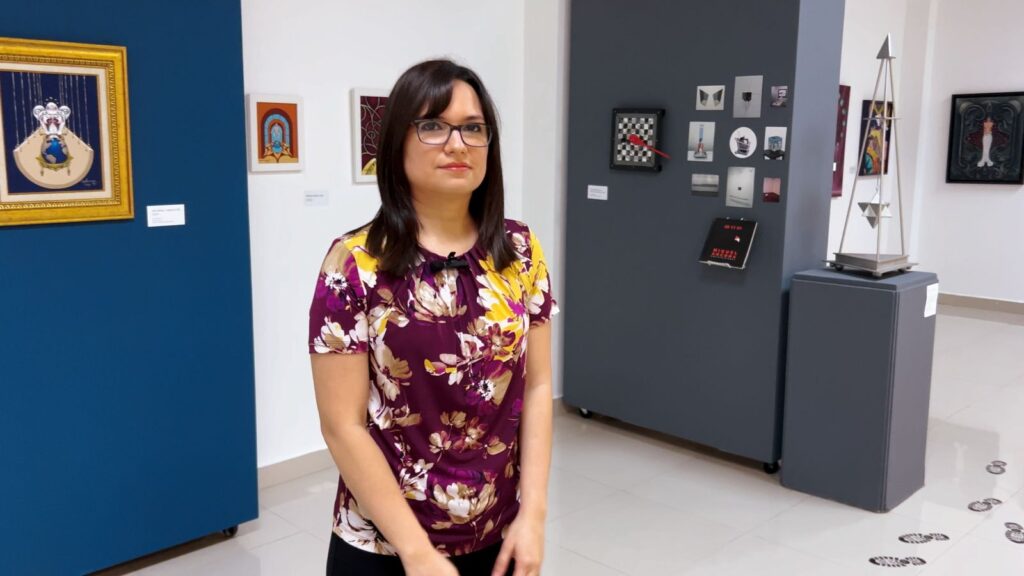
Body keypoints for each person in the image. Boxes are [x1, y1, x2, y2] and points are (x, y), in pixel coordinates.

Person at [309, 59, 559, 576]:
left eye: (473, 128)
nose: (457, 144)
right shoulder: (354, 264)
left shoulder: (520, 251)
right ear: (397, 144)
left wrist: (533, 514)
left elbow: (537, 386)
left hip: (498, 535)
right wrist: (417, 553)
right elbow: (342, 426)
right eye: (433, 126)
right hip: (386, 544)